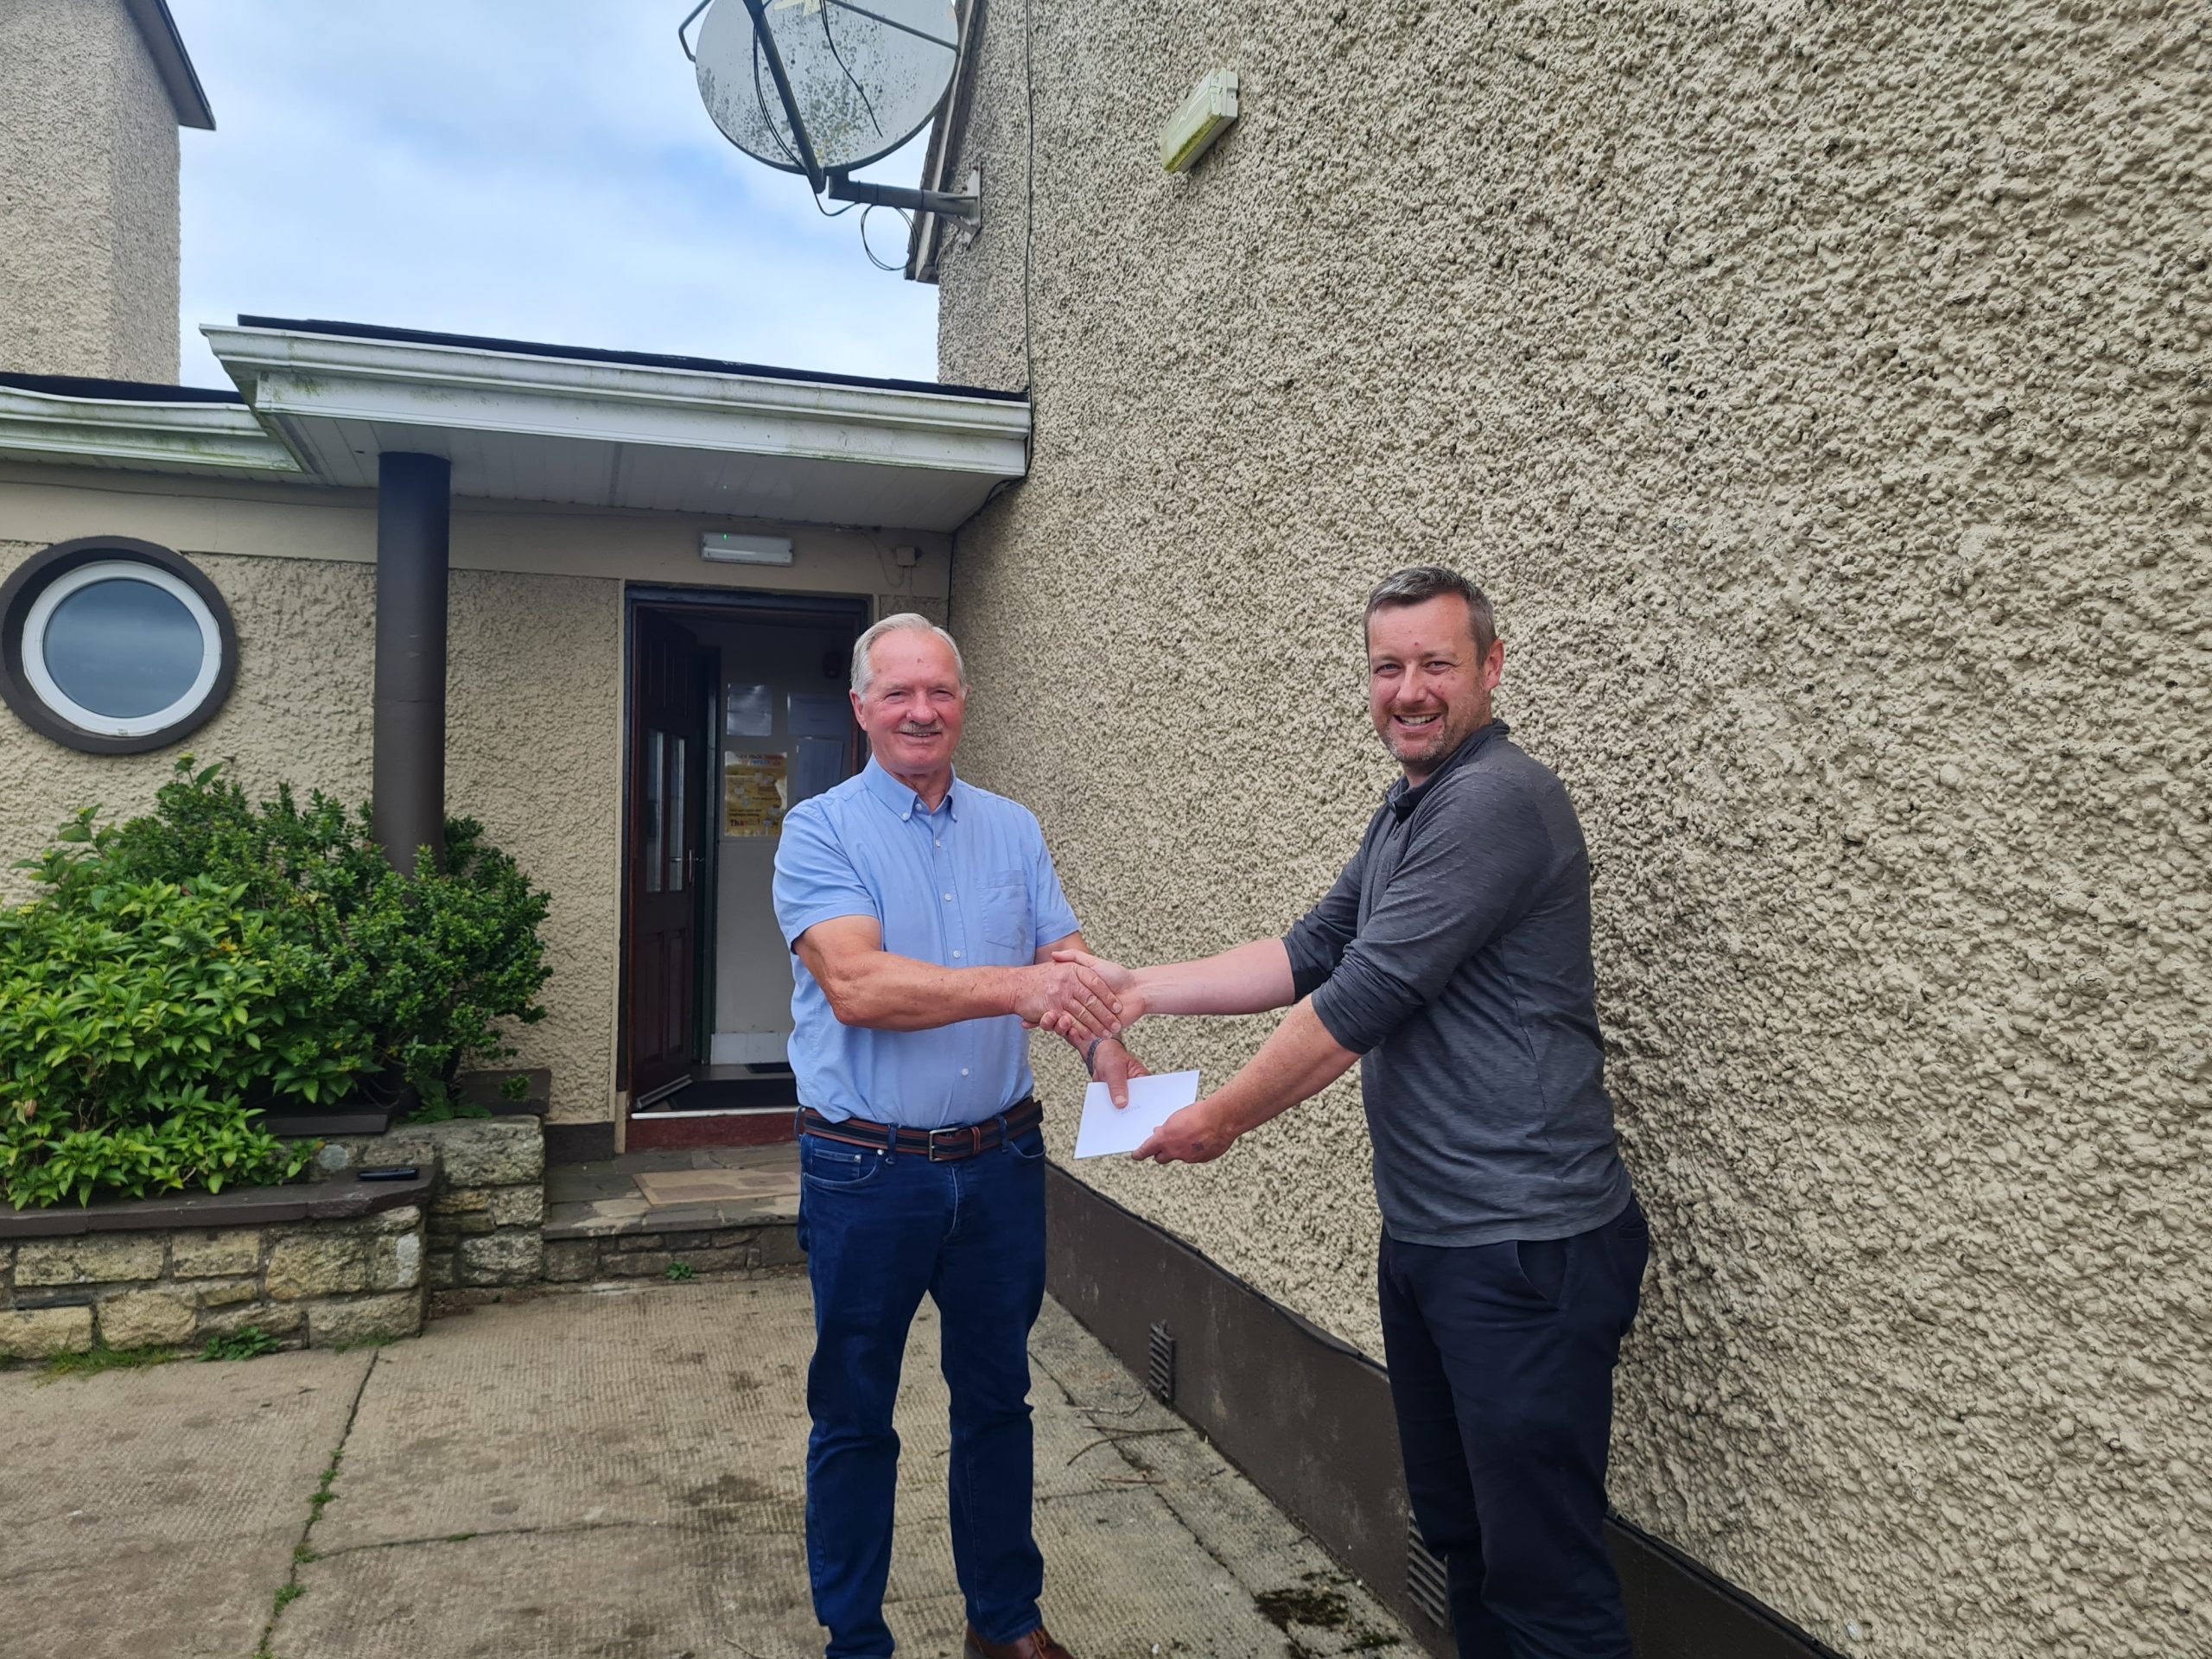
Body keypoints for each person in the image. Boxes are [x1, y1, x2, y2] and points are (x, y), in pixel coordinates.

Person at [1047, 567, 1648, 1659]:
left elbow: (1360, 999)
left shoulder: (1496, 800)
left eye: (1435, 664)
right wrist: (1139, 991)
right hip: (1435, 1241)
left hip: (1523, 1248)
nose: (1408, 690)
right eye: (1387, 666)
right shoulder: (1411, 806)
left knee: (1543, 1577)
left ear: (1491, 669)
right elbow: (1313, 948)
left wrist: (1221, 1118)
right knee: (1467, 1542)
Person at [772, 612, 1144, 1659]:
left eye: (938, 691)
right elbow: (858, 985)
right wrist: (1019, 989)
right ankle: (856, 1640)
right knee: (855, 1413)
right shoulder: (819, 831)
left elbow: (1062, 959)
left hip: (999, 1165)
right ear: (861, 708)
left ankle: (1004, 1625)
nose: (920, 711)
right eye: (897, 693)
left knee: (997, 1400)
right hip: (866, 1170)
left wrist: (1105, 1049)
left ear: (964, 703)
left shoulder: (1012, 828)